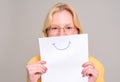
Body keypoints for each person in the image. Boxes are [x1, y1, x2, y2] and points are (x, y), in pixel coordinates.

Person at [26, 2, 104, 82]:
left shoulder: (95, 67)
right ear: (47, 33)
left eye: (69, 27)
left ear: (78, 31)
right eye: (54, 28)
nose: (61, 35)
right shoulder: (34, 64)